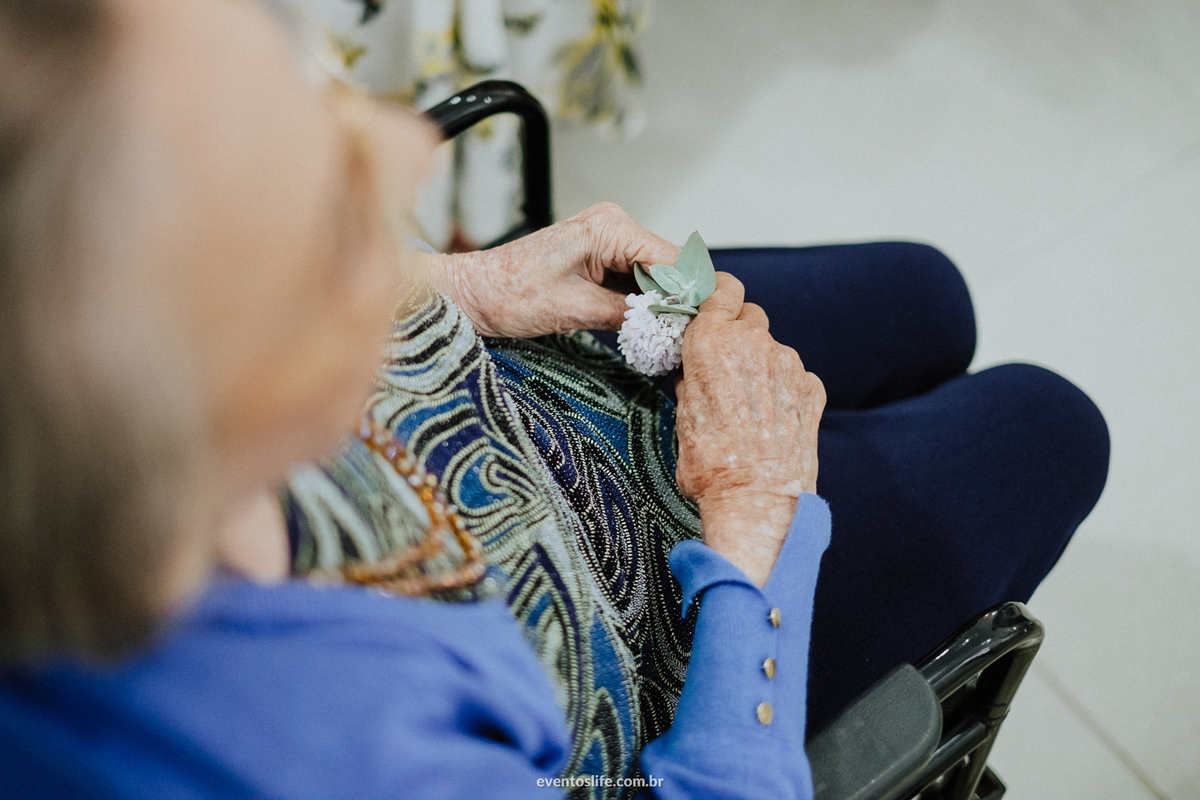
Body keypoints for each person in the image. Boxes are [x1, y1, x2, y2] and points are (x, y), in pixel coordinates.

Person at [0, 2, 1109, 800]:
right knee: (1051, 428)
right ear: (230, 393)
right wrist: (755, 519)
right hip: (670, 636)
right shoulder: (332, 754)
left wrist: (461, 286)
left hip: (507, 391)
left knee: (926, 293)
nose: (405, 150)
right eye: (328, 211)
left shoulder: (78, 378)